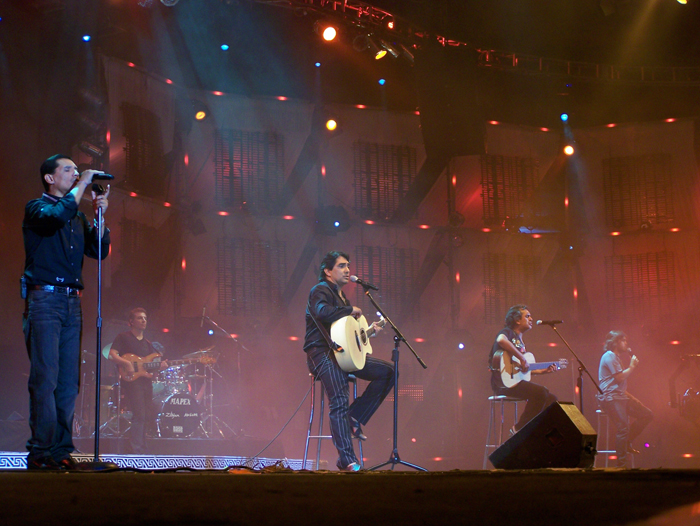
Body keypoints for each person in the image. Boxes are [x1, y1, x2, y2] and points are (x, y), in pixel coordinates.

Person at [22, 154, 110, 470]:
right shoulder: (38, 208)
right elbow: (56, 218)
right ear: (49, 177)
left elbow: (98, 252)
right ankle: (41, 452)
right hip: (44, 301)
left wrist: (99, 217)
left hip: (72, 303)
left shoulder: (77, 217)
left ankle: (60, 450)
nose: (75, 174)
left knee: (68, 382)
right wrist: (85, 182)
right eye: (68, 169)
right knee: (45, 378)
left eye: (77, 170)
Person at [304, 250, 395, 471]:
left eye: (348, 266)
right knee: (340, 398)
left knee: (389, 372)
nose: (347, 270)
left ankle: (355, 417)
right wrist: (349, 309)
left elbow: (351, 336)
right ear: (327, 271)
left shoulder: (342, 297)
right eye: (342, 266)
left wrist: (369, 332)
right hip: (322, 353)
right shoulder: (320, 290)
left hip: (344, 354)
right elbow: (322, 312)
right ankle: (347, 458)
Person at [488, 304, 558, 435]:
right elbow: (501, 340)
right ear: (517, 320)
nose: (531, 318)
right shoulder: (508, 332)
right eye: (527, 316)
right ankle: (519, 429)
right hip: (502, 383)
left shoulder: (521, 342)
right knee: (541, 392)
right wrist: (521, 357)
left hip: (514, 381)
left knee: (551, 399)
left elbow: (522, 371)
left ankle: (535, 432)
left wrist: (542, 371)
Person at [108, 308, 168, 454]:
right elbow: (112, 354)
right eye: (140, 318)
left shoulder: (148, 344)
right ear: (131, 322)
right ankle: (136, 448)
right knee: (139, 414)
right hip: (132, 381)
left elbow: (148, 367)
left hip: (145, 382)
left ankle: (141, 446)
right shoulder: (123, 337)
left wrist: (160, 367)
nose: (143, 321)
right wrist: (127, 363)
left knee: (147, 414)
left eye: (145, 318)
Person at [597, 330, 653, 467]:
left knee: (647, 414)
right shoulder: (609, 356)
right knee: (623, 428)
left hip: (620, 396)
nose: (626, 344)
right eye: (623, 341)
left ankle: (627, 441)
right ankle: (621, 465)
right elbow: (619, 377)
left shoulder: (616, 358)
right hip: (610, 398)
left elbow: (619, 385)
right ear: (615, 342)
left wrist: (634, 399)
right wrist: (632, 366)